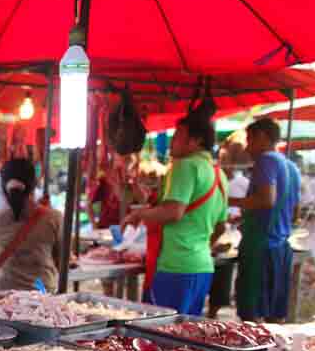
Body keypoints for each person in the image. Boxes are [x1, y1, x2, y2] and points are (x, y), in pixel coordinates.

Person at [123, 108, 226, 316]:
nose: (171, 143)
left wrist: (138, 215)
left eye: (177, 136)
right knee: (185, 336)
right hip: (202, 267)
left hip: (175, 267)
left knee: (161, 335)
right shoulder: (219, 174)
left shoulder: (185, 166)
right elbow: (221, 226)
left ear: (195, 141)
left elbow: (173, 212)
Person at [229, 118, 301, 322]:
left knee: (252, 314)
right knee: (273, 313)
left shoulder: (266, 160)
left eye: (250, 139)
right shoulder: (291, 166)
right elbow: (295, 210)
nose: (247, 146)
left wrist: (226, 200)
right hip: (280, 247)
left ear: (262, 137)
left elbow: (266, 200)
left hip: (260, 248)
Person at [0, 158, 63, 292]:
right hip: (40, 296)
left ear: (2, 185)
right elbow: (60, 260)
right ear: (34, 184)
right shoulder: (54, 217)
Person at [88, 165, 124, 231]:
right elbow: (88, 204)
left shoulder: (127, 185)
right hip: (104, 227)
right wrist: (94, 225)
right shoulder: (103, 184)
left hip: (121, 227)